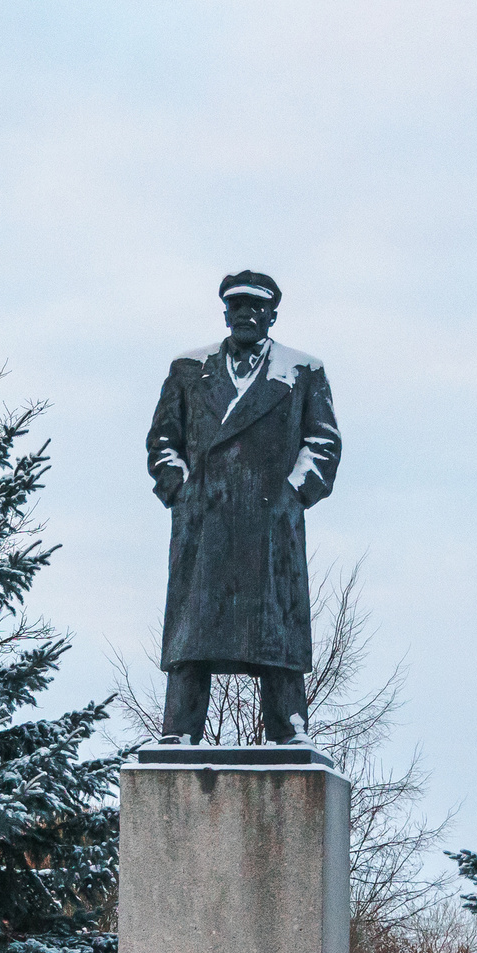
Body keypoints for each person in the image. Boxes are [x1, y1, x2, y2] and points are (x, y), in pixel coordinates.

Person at [144, 269, 342, 744]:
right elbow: (163, 440)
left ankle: (289, 732)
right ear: (225, 313)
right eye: (237, 306)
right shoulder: (189, 369)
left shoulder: (302, 371)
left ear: (272, 315)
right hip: (204, 521)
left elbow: (323, 443)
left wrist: (294, 494)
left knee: (276, 634)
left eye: (256, 307)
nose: (246, 315)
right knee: (193, 637)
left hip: (270, 523)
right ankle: (179, 732)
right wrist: (180, 489)